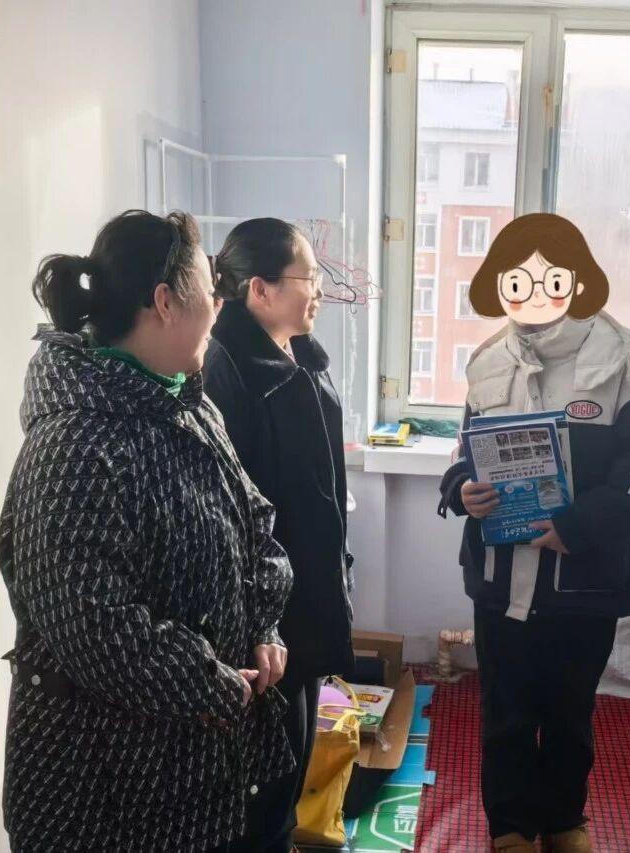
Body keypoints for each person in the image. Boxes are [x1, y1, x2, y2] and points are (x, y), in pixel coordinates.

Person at [0, 210, 294, 852]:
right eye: (208, 290)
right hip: (108, 797)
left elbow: (255, 525)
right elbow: (95, 629)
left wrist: (264, 626)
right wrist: (212, 679)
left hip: (201, 766)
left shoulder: (188, 406)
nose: (218, 307)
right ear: (165, 302)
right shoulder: (74, 446)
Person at [438, 213, 630, 853]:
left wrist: (579, 527)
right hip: (500, 581)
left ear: (578, 280)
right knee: (505, 713)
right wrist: (461, 489)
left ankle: (565, 821)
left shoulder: (620, 362)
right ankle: (511, 827)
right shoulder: (488, 361)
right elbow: (464, 448)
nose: (534, 294)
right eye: (517, 281)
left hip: (581, 583)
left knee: (569, 713)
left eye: (550, 279)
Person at [203, 218, 354, 853]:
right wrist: (258, 620)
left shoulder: (300, 356)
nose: (318, 290)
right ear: (259, 290)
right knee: (265, 778)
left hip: (308, 591)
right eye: (308, 277)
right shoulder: (227, 372)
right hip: (267, 616)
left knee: (296, 756)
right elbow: (232, 514)